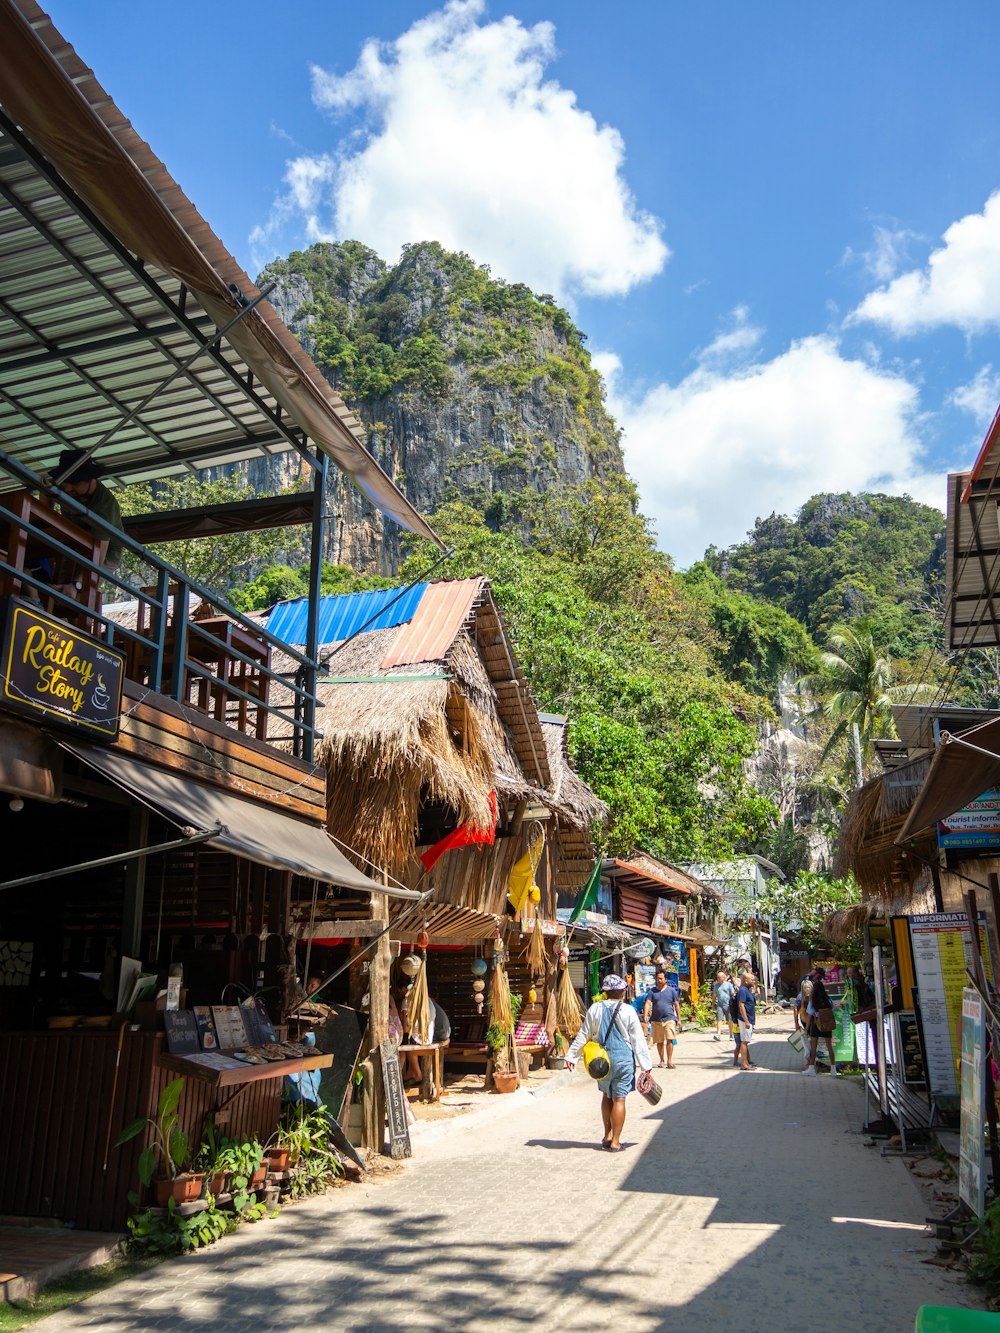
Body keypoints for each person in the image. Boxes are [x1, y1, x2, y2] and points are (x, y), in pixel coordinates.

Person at [567, 973, 653, 1152]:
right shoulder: (628, 1010)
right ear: (621, 991)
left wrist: (571, 1056)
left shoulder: (595, 1009)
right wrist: (646, 1066)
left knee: (607, 1095)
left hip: (602, 1060)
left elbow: (584, 1034)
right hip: (623, 1060)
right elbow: (638, 1040)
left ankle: (607, 1135)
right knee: (619, 1099)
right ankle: (616, 1141)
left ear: (606, 992)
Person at [54, 449, 125, 567]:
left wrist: (77, 583)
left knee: (84, 582)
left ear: (90, 479)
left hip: (105, 553)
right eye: (65, 483)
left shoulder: (104, 506)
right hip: (74, 541)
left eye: (74, 483)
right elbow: (46, 489)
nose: (67, 489)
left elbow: (99, 555)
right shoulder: (64, 484)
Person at [803, 966, 838, 1076]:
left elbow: (809, 1015)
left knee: (814, 1047)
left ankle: (811, 1068)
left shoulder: (813, 1001)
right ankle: (833, 1069)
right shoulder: (827, 999)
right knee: (829, 1046)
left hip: (815, 1023)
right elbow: (833, 1006)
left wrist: (806, 1029)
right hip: (826, 1023)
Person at [643, 969, 682, 1068]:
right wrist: (645, 1015)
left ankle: (669, 1061)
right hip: (656, 1020)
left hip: (669, 1018)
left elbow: (676, 1005)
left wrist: (679, 1019)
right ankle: (662, 1060)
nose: (659, 980)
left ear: (665, 979)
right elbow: (648, 1003)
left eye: (661, 978)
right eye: (658, 979)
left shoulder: (672, 991)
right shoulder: (652, 991)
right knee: (659, 1041)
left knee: (670, 1039)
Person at [736, 969, 758, 1071]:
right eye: (751, 980)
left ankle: (747, 1061)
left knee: (746, 1040)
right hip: (746, 1020)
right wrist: (746, 1021)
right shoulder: (743, 991)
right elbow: (741, 1005)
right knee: (744, 1041)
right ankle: (744, 1064)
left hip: (749, 1020)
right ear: (745, 980)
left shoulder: (747, 990)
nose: (753, 981)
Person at [714, 970, 734, 1042]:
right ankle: (718, 1035)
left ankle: (731, 1034)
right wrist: (713, 1004)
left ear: (723, 977)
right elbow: (714, 995)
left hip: (728, 1005)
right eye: (717, 977)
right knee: (719, 1019)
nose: (718, 979)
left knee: (730, 1020)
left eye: (719, 977)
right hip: (720, 1005)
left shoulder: (729, 985)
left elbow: (732, 993)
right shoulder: (716, 985)